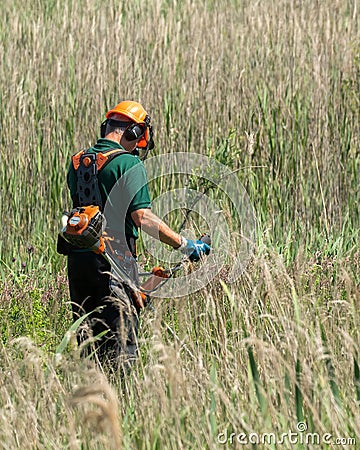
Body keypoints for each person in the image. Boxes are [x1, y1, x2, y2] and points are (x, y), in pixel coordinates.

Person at [62, 100, 210, 369]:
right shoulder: (128, 164)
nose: (137, 146)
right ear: (133, 132)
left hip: (78, 265)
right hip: (114, 266)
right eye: (138, 138)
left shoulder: (77, 164)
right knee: (121, 350)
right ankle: (120, 404)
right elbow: (142, 217)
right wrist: (185, 244)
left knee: (89, 348)